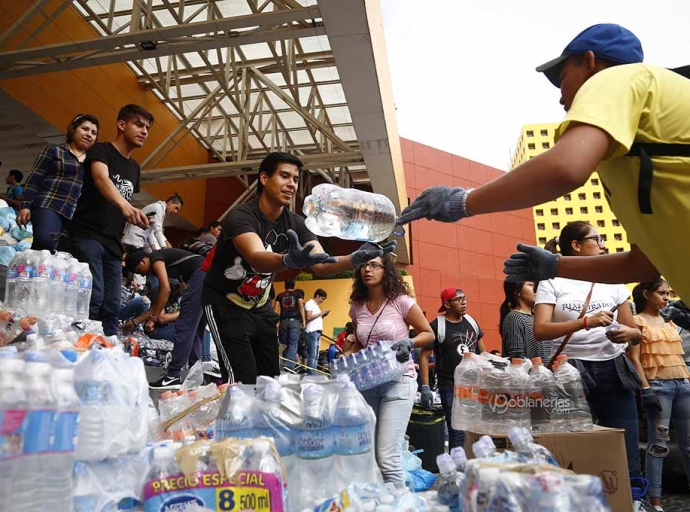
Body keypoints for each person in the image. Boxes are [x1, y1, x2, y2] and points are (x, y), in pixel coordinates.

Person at [396, 23, 690, 305]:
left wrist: (462, 201)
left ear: (589, 62)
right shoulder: (627, 158)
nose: (561, 96)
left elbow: (565, 168)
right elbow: (643, 265)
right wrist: (554, 265)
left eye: (562, 78)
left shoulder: (618, 77)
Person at [202, 151, 396, 384]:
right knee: (241, 380)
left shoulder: (297, 223)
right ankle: (235, 418)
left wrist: (354, 258)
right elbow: (256, 257)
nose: (291, 184)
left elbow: (320, 264)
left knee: (269, 381)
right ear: (264, 178)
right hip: (225, 303)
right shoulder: (241, 216)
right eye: (284, 176)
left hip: (260, 306)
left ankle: (263, 420)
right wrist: (288, 260)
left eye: (295, 178)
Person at [532, 221, 646, 506]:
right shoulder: (551, 281)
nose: (603, 244)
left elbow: (634, 333)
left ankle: (631, 502)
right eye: (598, 239)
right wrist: (586, 321)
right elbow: (541, 329)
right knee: (572, 445)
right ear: (576, 246)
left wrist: (630, 333)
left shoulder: (613, 281)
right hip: (570, 371)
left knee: (626, 445)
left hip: (613, 369)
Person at [346, 254, 433, 487]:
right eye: (364, 264)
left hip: (399, 381)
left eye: (374, 265)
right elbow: (361, 343)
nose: (367, 269)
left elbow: (428, 332)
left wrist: (409, 343)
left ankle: (400, 503)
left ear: (387, 271)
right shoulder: (357, 308)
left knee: (387, 457)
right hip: (368, 384)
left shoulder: (401, 301)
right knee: (371, 454)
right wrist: (346, 358)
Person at [65, 104, 152, 336]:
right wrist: (126, 206)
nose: (144, 131)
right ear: (121, 125)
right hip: (87, 234)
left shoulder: (134, 168)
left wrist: (134, 216)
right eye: (139, 124)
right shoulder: (100, 150)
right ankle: (79, 347)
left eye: (147, 128)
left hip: (113, 244)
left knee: (112, 306)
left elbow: (122, 200)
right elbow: (101, 178)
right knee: (94, 298)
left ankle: (107, 353)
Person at [628, 279, 690, 511]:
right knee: (659, 445)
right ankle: (655, 501)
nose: (666, 297)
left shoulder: (671, 319)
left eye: (668, 293)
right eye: (661, 293)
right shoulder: (637, 321)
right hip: (658, 387)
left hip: (683, 384)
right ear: (646, 294)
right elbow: (634, 358)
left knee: (689, 444)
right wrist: (645, 389)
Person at [125, 247, 206, 390]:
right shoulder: (167, 265)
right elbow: (157, 306)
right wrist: (136, 322)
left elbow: (165, 289)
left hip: (201, 274)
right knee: (196, 329)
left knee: (185, 327)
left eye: (139, 270)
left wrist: (153, 318)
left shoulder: (156, 258)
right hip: (206, 276)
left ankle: (173, 376)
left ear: (144, 260)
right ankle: (194, 374)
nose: (142, 274)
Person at [17, 114, 100, 251]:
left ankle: (32, 269)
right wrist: (25, 205)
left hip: (74, 215)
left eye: (93, 133)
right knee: (45, 241)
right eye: (85, 129)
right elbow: (34, 178)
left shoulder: (93, 163)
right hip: (48, 203)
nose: (89, 134)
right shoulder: (55, 150)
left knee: (62, 256)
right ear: (72, 129)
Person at [419, 287, 485, 450]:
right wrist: (425, 387)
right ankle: (457, 469)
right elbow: (424, 357)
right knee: (456, 430)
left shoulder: (471, 322)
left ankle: (472, 463)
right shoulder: (437, 326)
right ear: (447, 304)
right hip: (450, 385)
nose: (463, 302)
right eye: (459, 299)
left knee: (475, 427)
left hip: (473, 385)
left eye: (465, 298)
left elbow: (482, 351)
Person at [500, 280, 550, 360]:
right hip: (530, 372)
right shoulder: (515, 317)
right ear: (517, 291)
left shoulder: (538, 320)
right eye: (531, 285)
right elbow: (517, 357)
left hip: (545, 372)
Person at [274, 278, 306, 370]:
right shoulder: (297, 294)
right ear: (294, 285)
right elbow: (301, 307)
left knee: (284, 344)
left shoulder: (279, 296)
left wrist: (275, 322)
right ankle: (288, 365)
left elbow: (275, 309)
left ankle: (284, 364)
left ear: (285, 286)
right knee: (293, 344)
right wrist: (303, 321)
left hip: (283, 322)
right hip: (294, 321)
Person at [304, 289, 329, 375]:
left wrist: (323, 315)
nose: (322, 301)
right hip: (312, 331)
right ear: (317, 295)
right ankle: (311, 374)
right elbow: (309, 317)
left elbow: (315, 318)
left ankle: (313, 373)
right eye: (322, 298)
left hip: (317, 332)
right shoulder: (310, 303)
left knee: (316, 356)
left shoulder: (316, 305)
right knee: (312, 355)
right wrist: (321, 313)